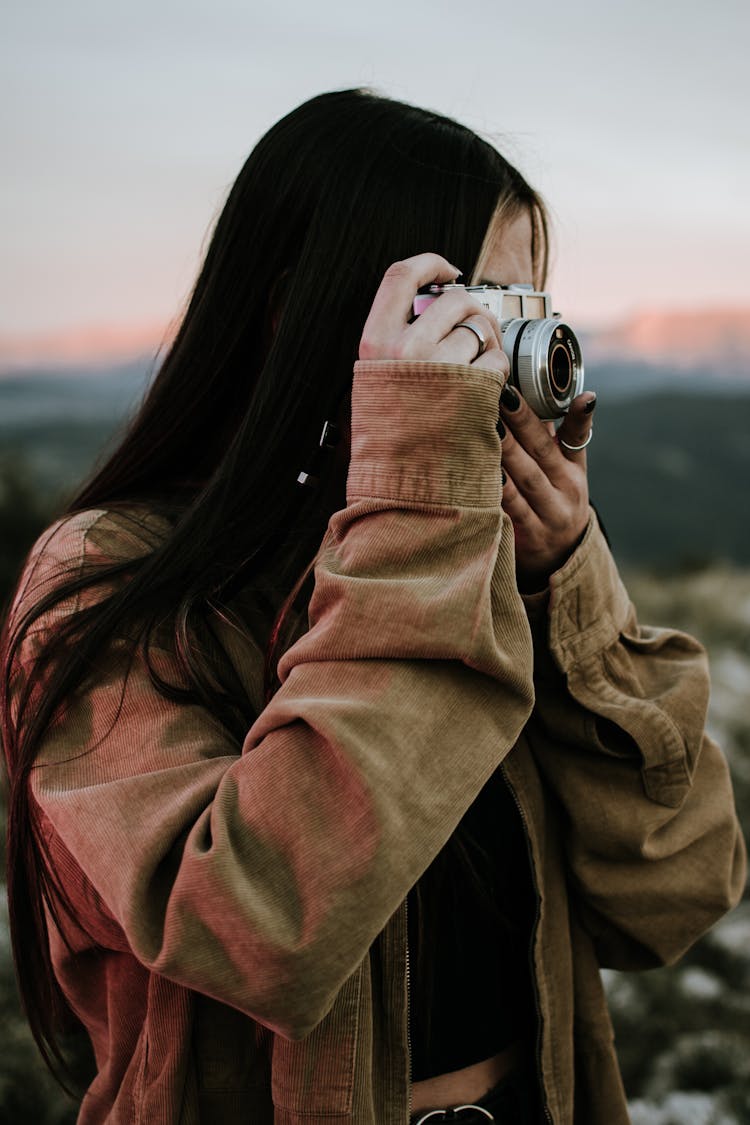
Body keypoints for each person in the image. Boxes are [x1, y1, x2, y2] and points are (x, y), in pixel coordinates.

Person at [1, 88, 745, 1125]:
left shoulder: (477, 567)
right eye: (465, 309)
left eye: (524, 309)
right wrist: (420, 513)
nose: (506, 351)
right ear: (304, 310)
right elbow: (252, 928)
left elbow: (675, 892)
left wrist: (566, 580)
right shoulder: (108, 578)